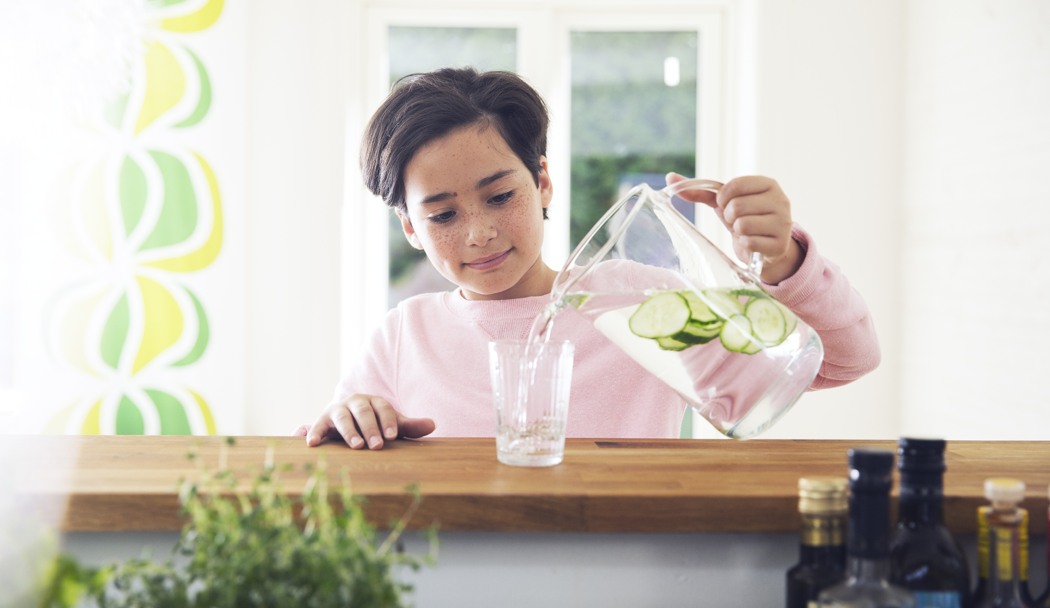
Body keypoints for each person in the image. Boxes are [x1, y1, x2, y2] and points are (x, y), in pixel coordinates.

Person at [296, 67, 880, 449]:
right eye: (443, 215)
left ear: (543, 181)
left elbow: (844, 361)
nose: (478, 234)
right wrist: (347, 420)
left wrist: (780, 260)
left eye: (500, 196)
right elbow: (329, 451)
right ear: (411, 229)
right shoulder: (406, 335)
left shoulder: (633, 300)